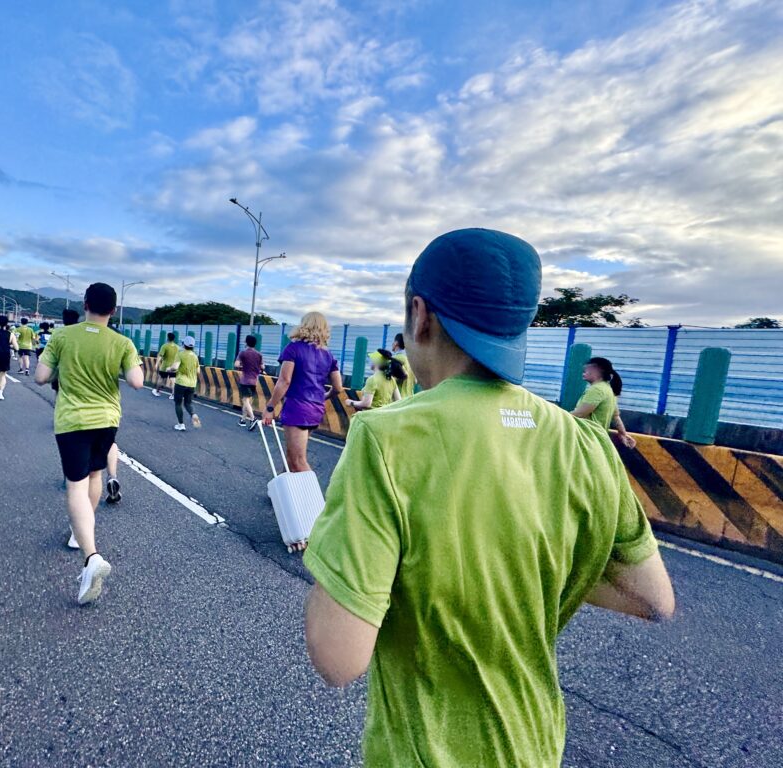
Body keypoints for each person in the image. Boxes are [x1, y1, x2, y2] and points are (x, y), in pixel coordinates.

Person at [302, 228, 674, 767]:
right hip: (536, 745)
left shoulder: (385, 437)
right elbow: (653, 600)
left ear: (419, 315)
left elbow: (337, 658)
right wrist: (521, 565)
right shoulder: (586, 445)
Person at [35, 282, 144, 605]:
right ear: (113, 310)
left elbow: (40, 377)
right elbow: (137, 381)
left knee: (75, 486)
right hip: (107, 420)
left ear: (85, 304)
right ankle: (81, 532)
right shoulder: (122, 342)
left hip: (72, 421)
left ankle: (91, 555)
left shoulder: (63, 336)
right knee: (95, 476)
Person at [262, 312, 345, 472]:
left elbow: (284, 381)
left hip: (297, 408)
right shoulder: (328, 355)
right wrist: (324, 397)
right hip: (316, 410)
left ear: (303, 325)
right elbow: (338, 387)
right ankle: (285, 492)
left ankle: (312, 496)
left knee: (298, 460)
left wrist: (270, 407)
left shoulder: (293, 349)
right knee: (292, 456)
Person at [573, 357, 637, 449]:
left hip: (586, 437)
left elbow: (580, 413)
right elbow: (616, 416)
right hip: (598, 438)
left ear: (596, 372)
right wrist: (622, 433)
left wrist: (558, 416)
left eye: (586, 370)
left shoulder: (597, 389)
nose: (583, 373)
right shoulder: (608, 389)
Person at [234, 334, 264, 431]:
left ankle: (253, 419)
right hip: (254, 381)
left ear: (246, 342)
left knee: (245, 401)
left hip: (245, 380)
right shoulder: (259, 354)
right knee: (247, 401)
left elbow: (236, 364)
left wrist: (244, 366)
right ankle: (243, 420)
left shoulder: (243, 353)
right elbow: (263, 367)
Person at [172, 336, 201, 431]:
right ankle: (193, 414)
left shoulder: (180, 354)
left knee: (178, 403)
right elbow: (198, 372)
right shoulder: (195, 356)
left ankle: (181, 424)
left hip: (181, 382)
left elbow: (175, 367)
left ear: (183, 344)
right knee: (188, 403)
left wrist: (169, 368)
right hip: (192, 384)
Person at [153, 332, 179, 398]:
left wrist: (156, 364)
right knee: (173, 380)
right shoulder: (177, 347)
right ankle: (173, 394)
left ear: (167, 338)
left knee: (161, 379)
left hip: (164, 366)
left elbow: (160, 356)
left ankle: (157, 391)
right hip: (173, 367)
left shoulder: (165, 346)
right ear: (174, 339)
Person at [391, 332, 416, 398]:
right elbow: (415, 381)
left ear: (396, 343)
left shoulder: (395, 359)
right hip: (410, 398)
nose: (392, 344)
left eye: (393, 342)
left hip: (398, 399)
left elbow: (391, 380)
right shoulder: (410, 360)